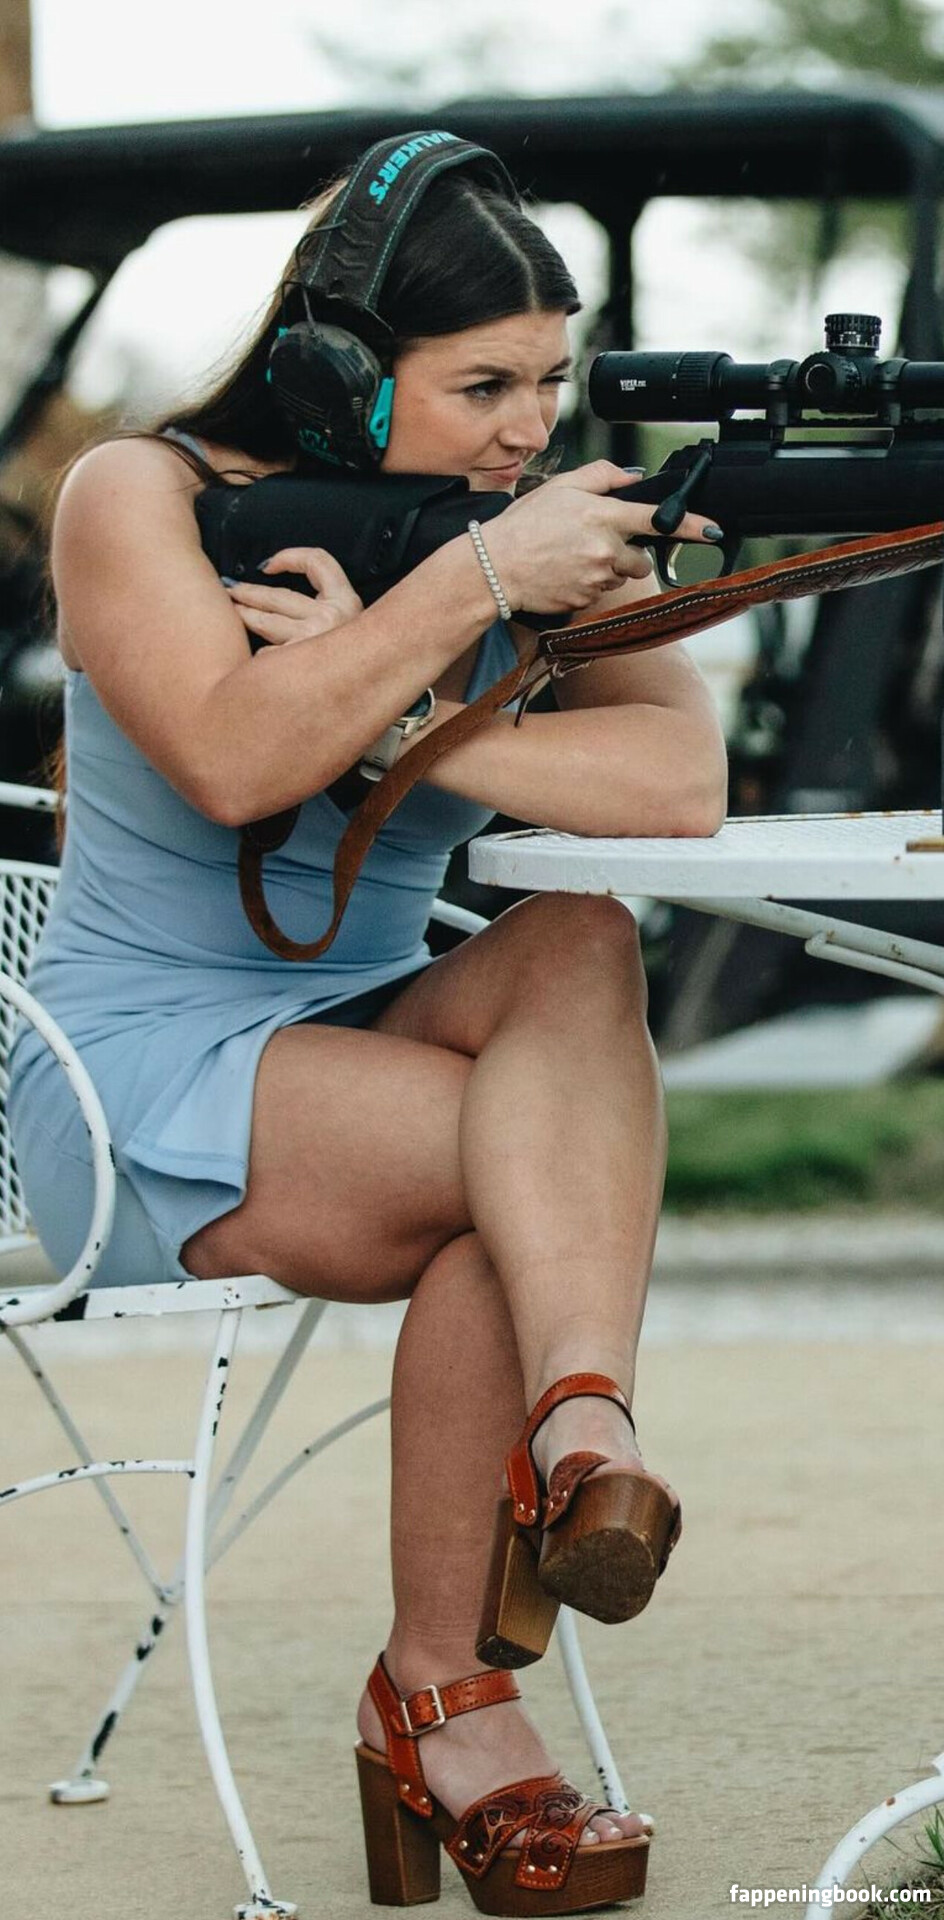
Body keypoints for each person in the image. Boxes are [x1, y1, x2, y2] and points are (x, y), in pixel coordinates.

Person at [8, 132, 727, 1913]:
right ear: (341, 369)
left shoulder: (525, 531)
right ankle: (452, 1692)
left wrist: (437, 720)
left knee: (578, 941)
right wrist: (469, 593)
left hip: (375, 1026)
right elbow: (233, 754)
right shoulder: (137, 496)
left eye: (551, 382)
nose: (526, 432)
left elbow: (681, 781)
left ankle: (576, 1435)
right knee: (524, 1187)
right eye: (482, 386)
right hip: (134, 1070)